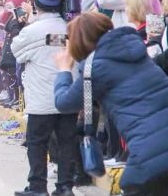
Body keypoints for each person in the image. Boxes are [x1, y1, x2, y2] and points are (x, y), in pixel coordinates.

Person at [54, 13, 168, 195]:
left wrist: (64, 70)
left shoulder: (96, 67)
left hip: (149, 154)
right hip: (154, 147)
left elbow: (64, 102)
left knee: (133, 184)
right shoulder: (136, 52)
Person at [10, 0, 77, 196]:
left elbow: (16, 51)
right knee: (66, 143)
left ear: (37, 7)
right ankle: (65, 187)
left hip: (41, 100)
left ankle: (38, 187)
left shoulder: (32, 30)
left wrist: (29, 22)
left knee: (37, 143)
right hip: (67, 97)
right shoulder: (70, 28)